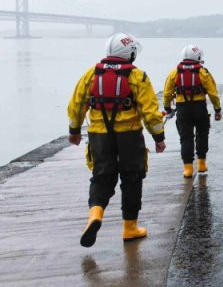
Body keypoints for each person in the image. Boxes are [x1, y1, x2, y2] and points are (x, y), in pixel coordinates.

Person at [68, 32, 166, 246]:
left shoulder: (91, 75)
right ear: (130, 53)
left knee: (101, 176)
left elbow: (76, 105)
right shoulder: (137, 76)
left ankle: (95, 214)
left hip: (99, 136)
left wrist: (74, 131)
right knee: (132, 178)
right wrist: (159, 137)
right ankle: (130, 228)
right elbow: (150, 111)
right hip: (129, 136)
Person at [163, 44, 222, 178]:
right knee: (202, 134)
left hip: (182, 109)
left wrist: (167, 108)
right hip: (199, 107)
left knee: (186, 137)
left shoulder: (175, 72)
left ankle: (188, 168)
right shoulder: (203, 72)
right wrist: (217, 109)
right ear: (198, 57)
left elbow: (167, 93)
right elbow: (213, 93)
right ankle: (201, 164)